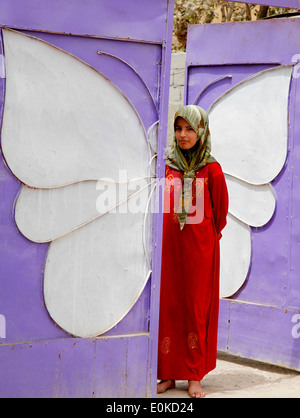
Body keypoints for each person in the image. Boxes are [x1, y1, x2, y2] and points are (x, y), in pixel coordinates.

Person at [157, 105, 229, 398]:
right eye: (178, 128)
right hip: (169, 251)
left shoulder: (212, 169)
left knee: (196, 308)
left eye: (189, 129)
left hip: (200, 252)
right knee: (168, 307)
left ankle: (194, 375)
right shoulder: (166, 166)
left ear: (202, 131)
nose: (183, 135)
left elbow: (220, 213)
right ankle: (168, 374)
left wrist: (203, 240)